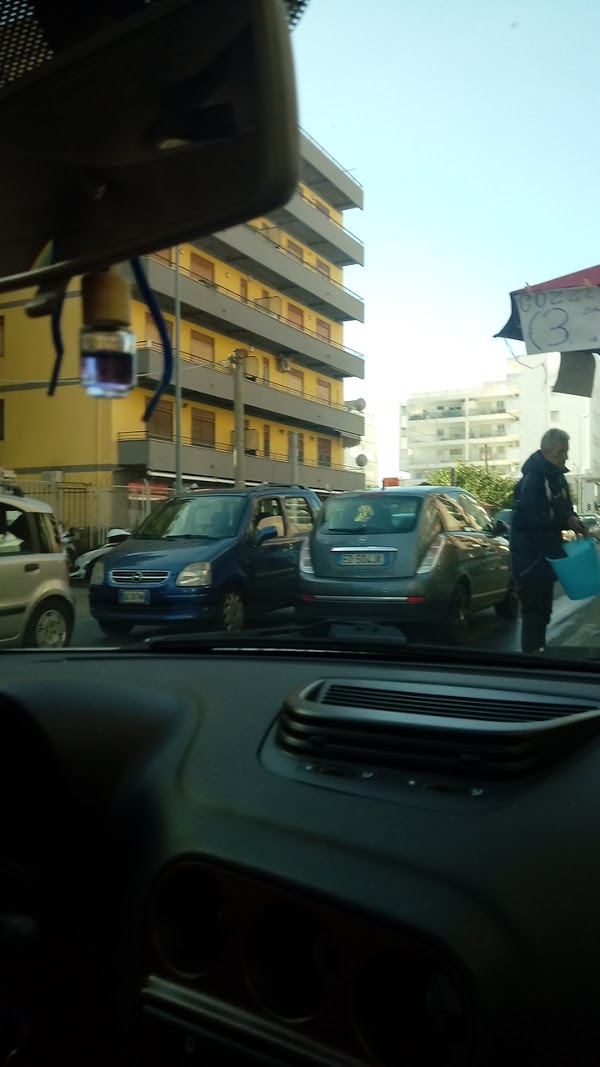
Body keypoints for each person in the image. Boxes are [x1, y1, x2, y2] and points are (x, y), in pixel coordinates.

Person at [510, 428, 586, 653]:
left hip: (543, 561)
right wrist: (560, 554)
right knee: (534, 615)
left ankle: (537, 656)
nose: (565, 456)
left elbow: (563, 508)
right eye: (561, 451)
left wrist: (571, 518)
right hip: (530, 561)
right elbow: (534, 522)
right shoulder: (534, 480)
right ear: (545, 452)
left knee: (542, 614)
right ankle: (531, 667)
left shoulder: (557, 477)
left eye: (566, 451)